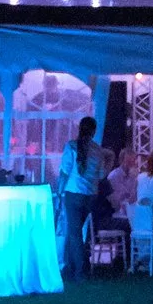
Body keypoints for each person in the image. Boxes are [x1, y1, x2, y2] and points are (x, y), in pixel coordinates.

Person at [57, 117, 104, 278]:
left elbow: (65, 171)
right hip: (90, 195)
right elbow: (102, 174)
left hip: (73, 192)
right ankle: (69, 266)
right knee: (74, 231)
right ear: (94, 131)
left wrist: (59, 190)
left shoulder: (71, 146)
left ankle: (80, 270)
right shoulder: (98, 150)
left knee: (74, 232)